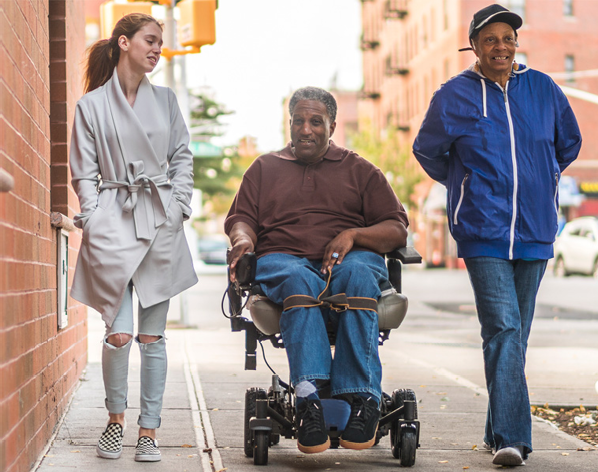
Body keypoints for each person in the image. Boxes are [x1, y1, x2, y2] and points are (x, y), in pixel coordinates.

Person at [412, 4, 581, 467]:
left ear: (516, 44)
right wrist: (467, 183)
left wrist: (540, 178)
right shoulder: (454, 96)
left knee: (515, 337)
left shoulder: (543, 88)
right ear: (475, 46)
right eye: (491, 40)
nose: (501, 46)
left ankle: (494, 429)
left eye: (508, 38)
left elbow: (568, 143)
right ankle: (513, 438)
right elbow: (427, 150)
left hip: (535, 230)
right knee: (503, 327)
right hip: (482, 232)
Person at [225, 86, 408, 454]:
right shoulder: (263, 168)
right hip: (283, 259)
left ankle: (363, 399)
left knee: (358, 275)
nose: (305, 129)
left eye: (315, 121)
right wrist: (242, 241)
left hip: (349, 260)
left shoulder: (360, 170)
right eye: (298, 121)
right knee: (299, 278)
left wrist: (353, 234)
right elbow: (241, 219)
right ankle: (308, 398)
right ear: (289, 124)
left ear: (332, 126)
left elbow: (396, 228)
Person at [69, 13, 198, 462]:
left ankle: (149, 431)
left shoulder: (165, 101)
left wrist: (179, 205)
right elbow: (83, 172)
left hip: (159, 219)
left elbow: (183, 155)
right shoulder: (91, 106)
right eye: (150, 40)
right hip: (113, 221)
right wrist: (93, 216)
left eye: (160, 43)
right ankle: (114, 420)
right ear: (123, 42)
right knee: (118, 334)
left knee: (152, 337)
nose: (157, 49)